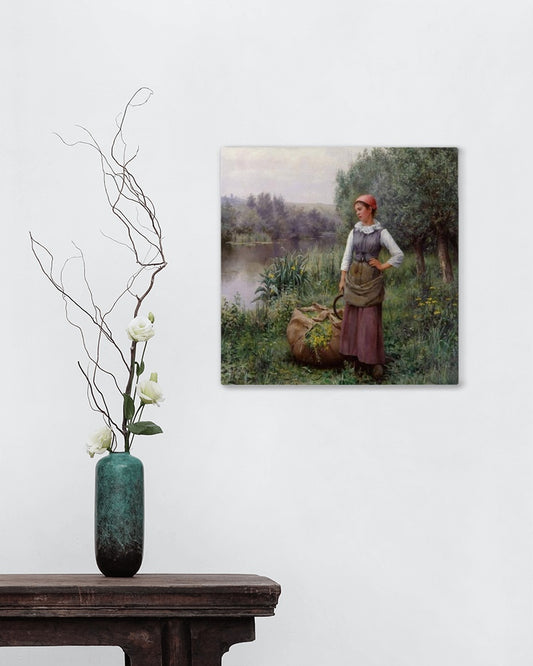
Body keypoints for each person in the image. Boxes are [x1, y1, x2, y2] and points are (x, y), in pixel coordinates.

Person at [338, 194, 404, 379]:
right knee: (352, 319)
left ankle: (373, 361)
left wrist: (382, 266)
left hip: (371, 282)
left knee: (369, 321)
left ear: (370, 209)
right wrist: (343, 278)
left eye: (360, 209)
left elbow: (398, 254)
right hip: (353, 279)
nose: (357, 213)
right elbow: (346, 256)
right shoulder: (354, 231)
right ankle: (354, 358)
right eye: (356, 210)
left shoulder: (381, 232)